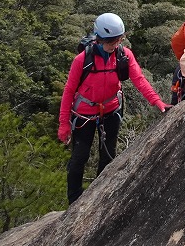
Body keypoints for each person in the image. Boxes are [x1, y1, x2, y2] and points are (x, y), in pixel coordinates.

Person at [58, 12, 170, 203]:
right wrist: (64, 124)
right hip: (85, 113)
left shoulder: (123, 56)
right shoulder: (82, 60)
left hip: (111, 109)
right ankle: (74, 202)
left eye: (119, 40)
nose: (115, 45)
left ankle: (99, 198)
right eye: (111, 41)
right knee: (79, 157)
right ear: (99, 39)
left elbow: (139, 80)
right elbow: (69, 91)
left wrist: (157, 102)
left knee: (108, 155)